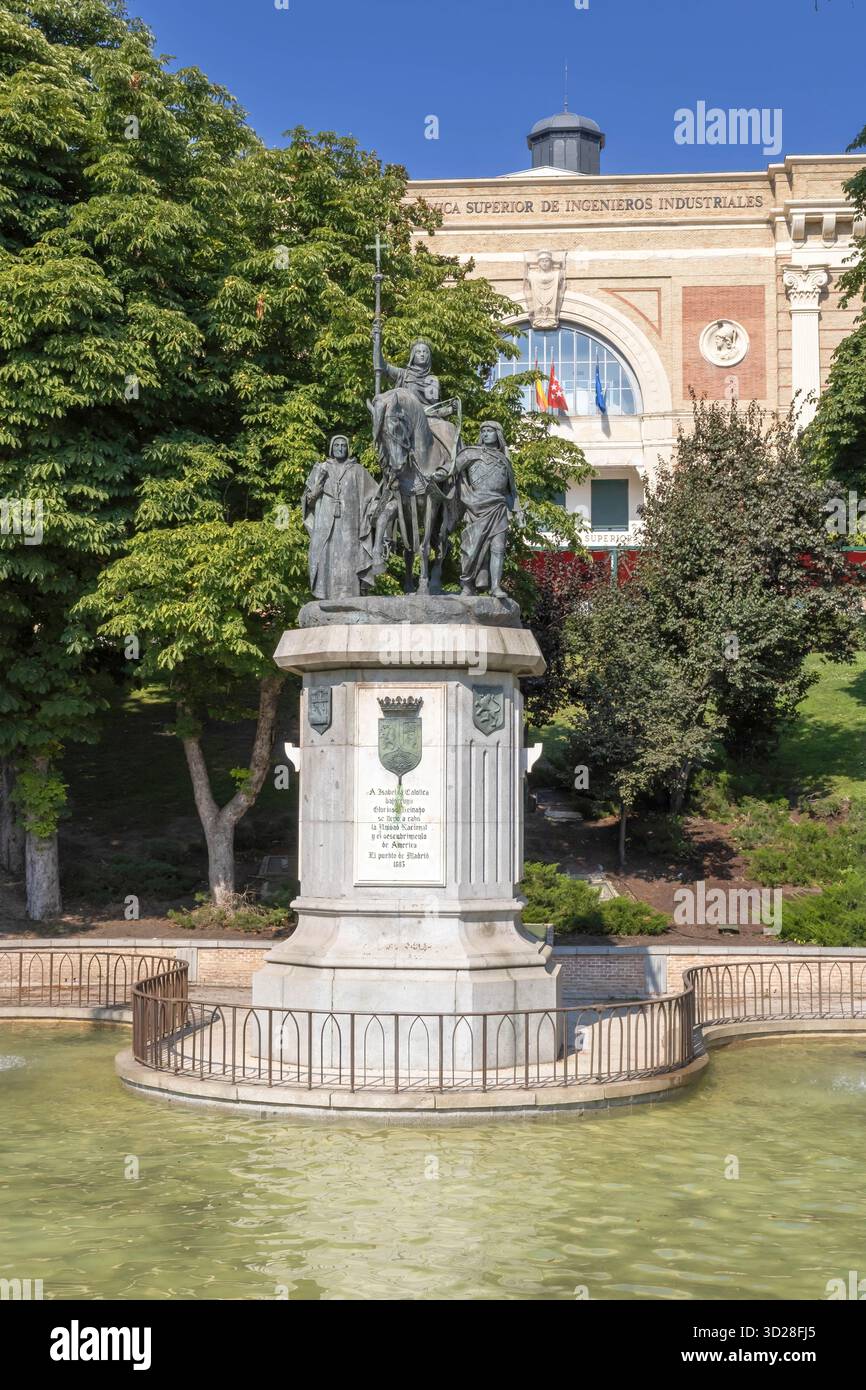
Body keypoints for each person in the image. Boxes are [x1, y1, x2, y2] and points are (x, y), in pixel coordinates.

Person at [301, 436, 378, 599]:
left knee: (350, 555)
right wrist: (315, 491)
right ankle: (327, 594)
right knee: (326, 555)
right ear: (331, 448)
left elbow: (374, 495)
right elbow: (308, 501)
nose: (340, 448)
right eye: (336, 445)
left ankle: (351, 595)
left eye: (343, 445)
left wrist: (373, 508)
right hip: (326, 523)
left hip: (351, 524)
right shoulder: (321, 468)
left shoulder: (357, 470)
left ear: (347, 448)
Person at [456, 422, 523, 598]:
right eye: (483, 431)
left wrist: (518, 511)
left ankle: (495, 587)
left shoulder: (504, 459)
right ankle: (467, 586)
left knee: (498, 548)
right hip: (475, 507)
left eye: (489, 431)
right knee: (471, 549)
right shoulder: (470, 453)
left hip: (499, 507)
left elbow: (511, 491)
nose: (485, 434)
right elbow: (450, 471)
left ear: (498, 434)